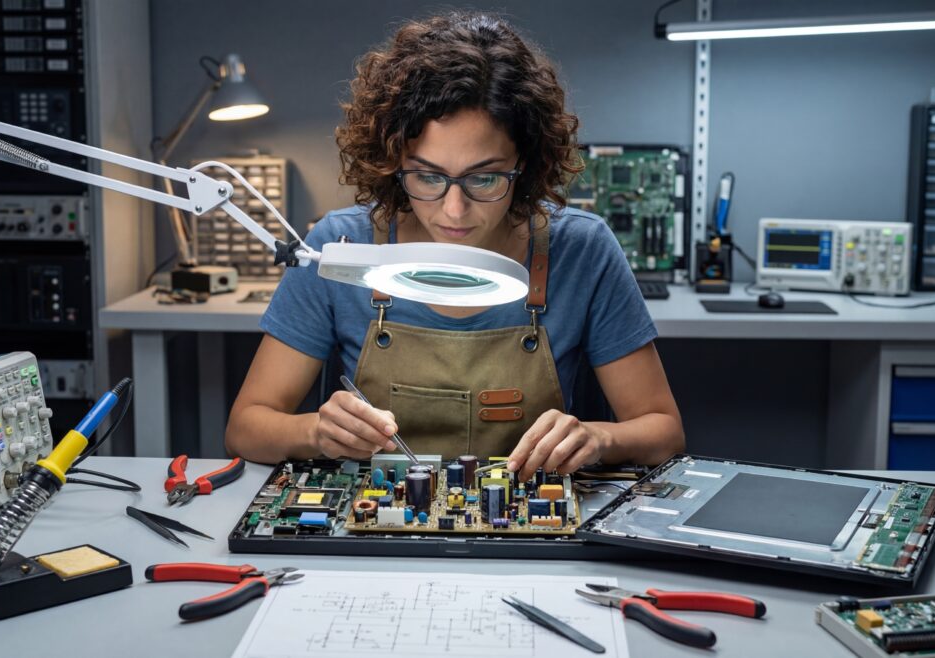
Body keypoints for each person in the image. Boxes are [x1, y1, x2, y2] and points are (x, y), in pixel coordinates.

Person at [225, 11, 684, 476]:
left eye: (484, 178)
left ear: (525, 163)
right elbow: (246, 428)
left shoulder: (583, 249)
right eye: (428, 177)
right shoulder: (341, 245)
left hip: (527, 513)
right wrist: (316, 433)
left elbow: (664, 432)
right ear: (392, 161)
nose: (454, 211)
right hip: (375, 515)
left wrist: (599, 437)